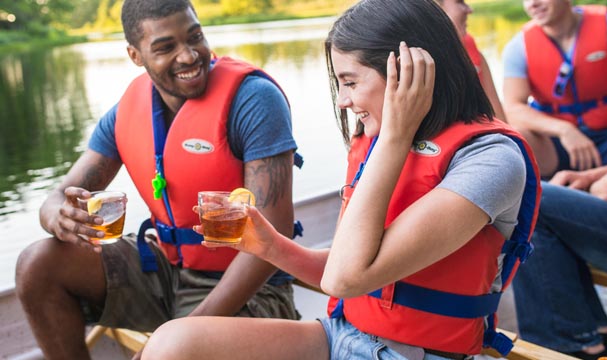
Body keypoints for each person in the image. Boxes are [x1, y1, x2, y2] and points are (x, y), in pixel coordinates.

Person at [140, 0, 541, 359]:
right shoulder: (376, 143)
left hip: (418, 353)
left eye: (349, 82)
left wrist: (395, 136)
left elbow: (344, 278)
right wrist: (270, 246)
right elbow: (348, 269)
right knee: (172, 343)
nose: (343, 101)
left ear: (408, 73)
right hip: (340, 337)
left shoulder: (491, 160)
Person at [14, 0, 301, 359]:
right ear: (135, 55)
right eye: (166, 47)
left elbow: (274, 237)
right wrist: (57, 215)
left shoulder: (255, 100)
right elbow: (58, 196)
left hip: (253, 288)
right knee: (36, 265)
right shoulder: (127, 112)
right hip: (166, 269)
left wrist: (176, 337)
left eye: (194, 36)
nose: (188, 56)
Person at [511, 0, 607, 358]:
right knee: (546, 206)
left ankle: (575, 345)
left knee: (528, 198)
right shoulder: (519, 46)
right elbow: (513, 106)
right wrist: (590, 177)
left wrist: (595, 188)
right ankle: (601, 340)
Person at [502, 0, 607, 178]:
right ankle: (540, 193)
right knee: (515, 139)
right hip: (558, 140)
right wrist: (564, 130)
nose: (533, 4)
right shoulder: (517, 48)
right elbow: (513, 107)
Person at [438, 0, 508, 123]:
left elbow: (498, 115)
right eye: (460, 2)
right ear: (436, 9)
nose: (469, 10)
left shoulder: (474, 53)